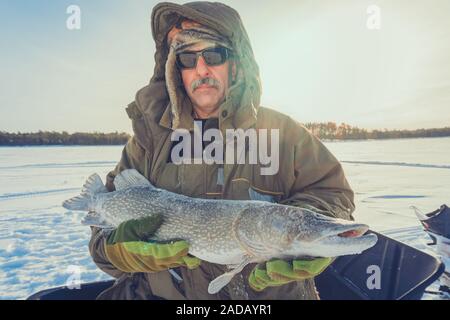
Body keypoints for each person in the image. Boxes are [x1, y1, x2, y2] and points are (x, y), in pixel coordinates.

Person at [89, 1, 355, 300]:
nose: (201, 69)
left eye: (213, 55)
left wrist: (301, 230)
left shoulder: (284, 133)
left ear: (235, 63)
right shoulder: (149, 143)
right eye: (188, 59)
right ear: (175, 70)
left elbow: (333, 195)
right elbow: (101, 236)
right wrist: (119, 250)